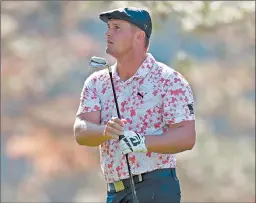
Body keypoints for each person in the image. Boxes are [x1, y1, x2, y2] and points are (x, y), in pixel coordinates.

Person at [73, 7, 196, 203]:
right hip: (115, 192)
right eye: (108, 27)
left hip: (156, 187)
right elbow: (81, 130)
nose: (108, 33)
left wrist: (141, 142)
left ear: (139, 36)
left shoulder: (169, 80)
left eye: (117, 28)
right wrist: (105, 131)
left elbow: (186, 136)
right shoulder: (97, 82)